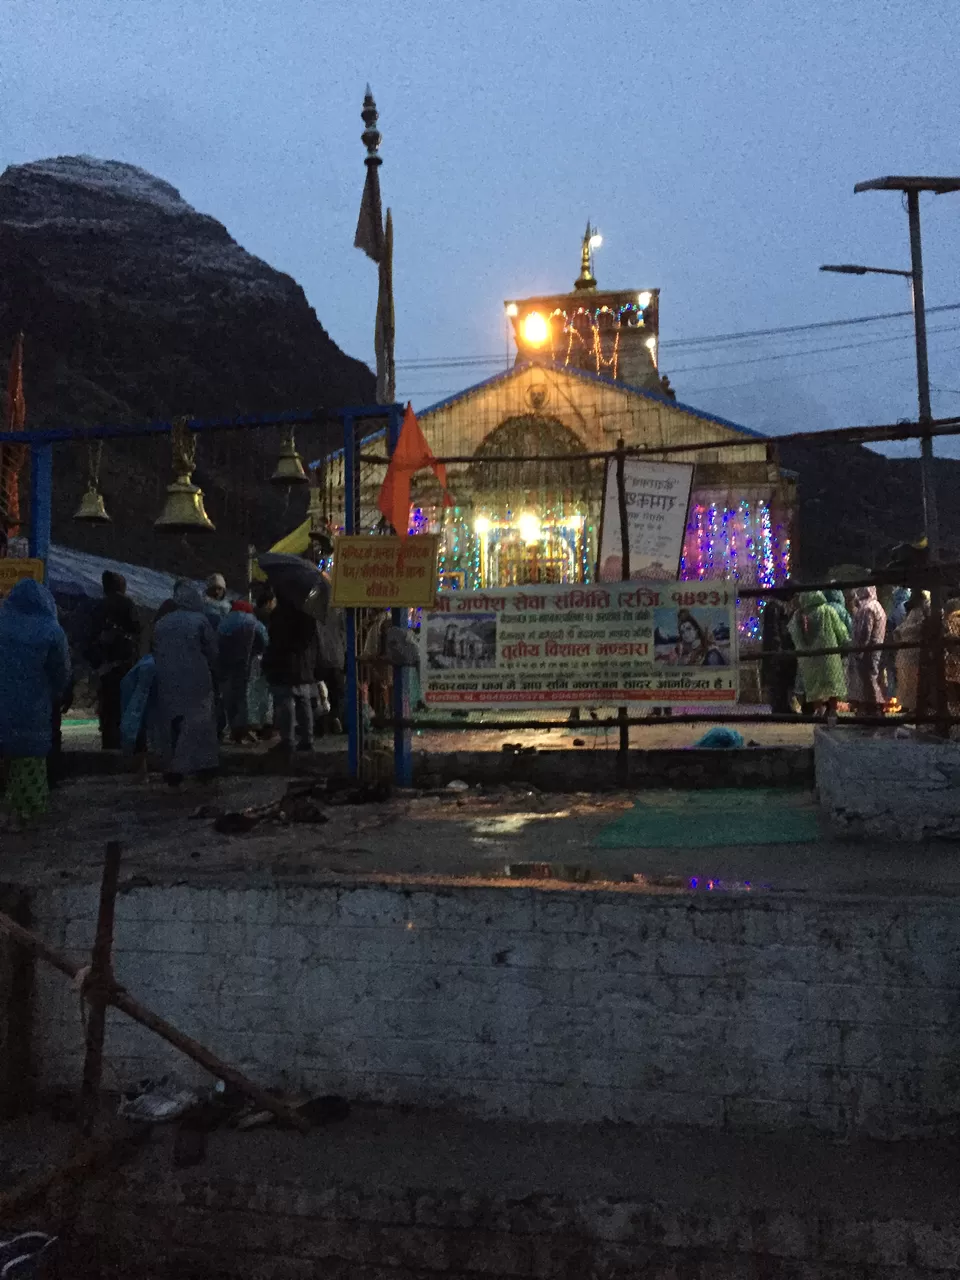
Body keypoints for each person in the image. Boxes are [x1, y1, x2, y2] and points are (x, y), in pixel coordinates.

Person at [0, 579, 71, 825]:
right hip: (31, 708)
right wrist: (60, 692)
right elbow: (61, 672)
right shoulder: (51, 630)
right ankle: (23, 814)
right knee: (28, 760)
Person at [152, 580, 220, 786]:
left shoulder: (162, 622)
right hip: (196, 677)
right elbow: (212, 651)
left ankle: (172, 766)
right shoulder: (200, 620)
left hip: (166, 677)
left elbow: (154, 648)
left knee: (171, 724)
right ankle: (201, 767)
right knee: (199, 723)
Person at [85, 571, 140, 750]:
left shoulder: (98, 606)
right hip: (124, 666)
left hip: (104, 666)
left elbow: (90, 636)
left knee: (107, 707)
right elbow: (137, 629)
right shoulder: (127, 604)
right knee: (124, 706)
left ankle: (108, 745)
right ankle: (124, 746)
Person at [262, 593, 321, 755]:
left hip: (285, 663)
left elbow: (274, 638)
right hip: (304, 664)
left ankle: (288, 740)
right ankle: (307, 740)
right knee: (304, 701)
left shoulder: (279, 614)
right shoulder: (308, 612)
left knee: (285, 701)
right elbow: (310, 638)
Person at [788, 591, 848, 716]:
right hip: (829, 656)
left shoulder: (798, 615)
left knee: (814, 686)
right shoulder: (827, 611)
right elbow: (841, 630)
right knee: (832, 683)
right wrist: (845, 643)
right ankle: (832, 710)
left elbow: (794, 635)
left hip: (809, 660)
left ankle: (819, 709)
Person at [217, 599, 267, 745]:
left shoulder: (224, 622)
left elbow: (216, 644)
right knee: (245, 697)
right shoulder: (253, 621)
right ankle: (243, 730)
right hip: (248, 665)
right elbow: (264, 641)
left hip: (226, 666)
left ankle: (231, 729)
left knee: (228, 698)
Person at [847, 586, 887, 715]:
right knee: (873, 676)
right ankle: (874, 707)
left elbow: (865, 632)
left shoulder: (867, 608)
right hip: (876, 646)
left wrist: (859, 649)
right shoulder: (877, 606)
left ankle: (874, 707)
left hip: (867, 649)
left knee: (868, 678)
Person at [893, 590, 930, 717]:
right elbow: (905, 625)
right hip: (905, 651)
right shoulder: (913, 611)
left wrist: (903, 631)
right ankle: (904, 704)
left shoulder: (924, 611)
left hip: (914, 651)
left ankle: (913, 706)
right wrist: (900, 630)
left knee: (913, 681)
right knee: (904, 680)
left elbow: (918, 627)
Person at [760, 594, 797, 715]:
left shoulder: (775, 607)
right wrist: (779, 647)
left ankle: (781, 706)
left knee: (780, 680)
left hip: (775, 649)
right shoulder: (776, 608)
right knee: (778, 680)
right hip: (777, 650)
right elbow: (775, 630)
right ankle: (780, 707)